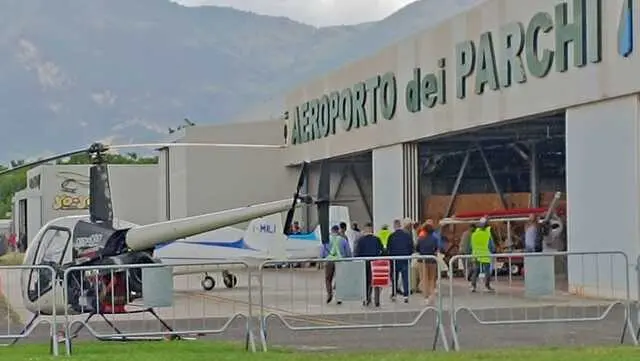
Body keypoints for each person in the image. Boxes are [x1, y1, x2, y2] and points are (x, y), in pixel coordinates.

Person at [354, 222, 384, 307]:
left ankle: (366, 299)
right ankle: (377, 301)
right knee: (376, 282)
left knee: (366, 282)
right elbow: (382, 250)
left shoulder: (361, 240)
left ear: (365, 229)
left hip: (365, 263)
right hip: (376, 262)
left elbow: (357, 253)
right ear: (371, 229)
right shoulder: (377, 239)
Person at [321, 225, 352, 304]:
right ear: (338, 231)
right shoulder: (343, 240)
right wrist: (349, 259)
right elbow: (348, 252)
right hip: (340, 261)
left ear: (331, 231)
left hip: (329, 261)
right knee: (339, 279)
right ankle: (339, 298)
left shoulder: (326, 240)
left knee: (328, 279)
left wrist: (322, 259)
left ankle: (329, 294)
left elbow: (322, 252)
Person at [386, 218, 414, 303]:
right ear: (400, 226)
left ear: (394, 226)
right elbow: (411, 247)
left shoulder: (391, 236)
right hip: (405, 259)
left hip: (394, 260)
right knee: (405, 278)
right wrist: (408, 255)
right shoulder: (407, 235)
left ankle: (394, 294)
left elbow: (388, 248)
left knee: (395, 277)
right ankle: (406, 295)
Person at [416, 222, 441, 304]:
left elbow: (417, 248)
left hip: (422, 260)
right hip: (432, 260)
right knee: (431, 279)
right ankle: (431, 295)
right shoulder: (435, 238)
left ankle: (426, 296)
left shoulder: (420, 238)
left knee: (424, 278)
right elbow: (437, 248)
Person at [469, 217, 496, 293]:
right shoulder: (487, 234)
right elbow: (491, 246)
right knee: (487, 271)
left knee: (475, 271)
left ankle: (473, 286)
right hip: (485, 255)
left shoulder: (474, 234)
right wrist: (493, 251)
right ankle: (487, 286)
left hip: (475, 254)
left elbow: (471, 246)